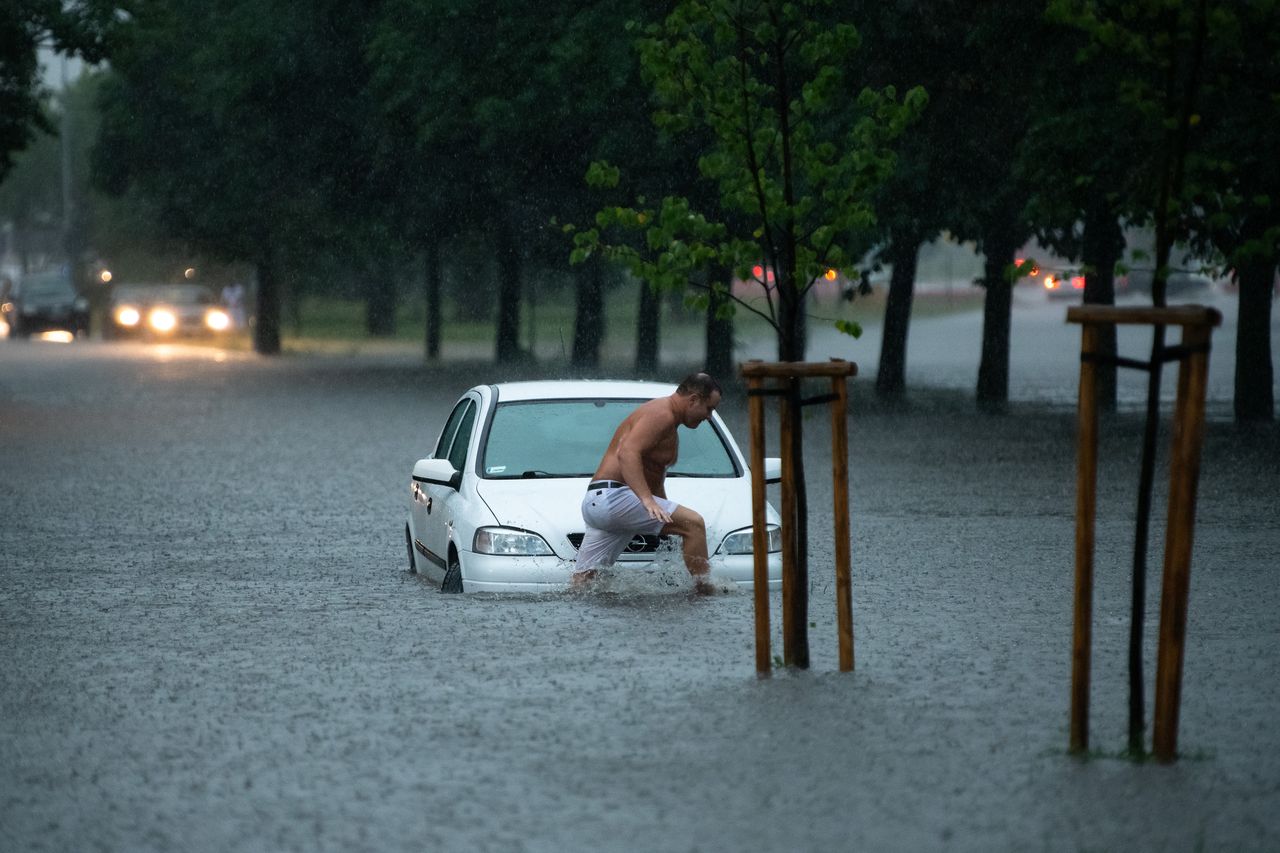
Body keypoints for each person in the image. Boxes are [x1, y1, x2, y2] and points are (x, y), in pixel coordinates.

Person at [574, 373, 722, 593]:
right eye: (709, 408)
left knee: (584, 585)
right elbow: (627, 453)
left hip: (599, 502)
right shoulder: (662, 413)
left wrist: (662, 508)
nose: (709, 416)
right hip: (615, 498)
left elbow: (653, 473)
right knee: (694, 525)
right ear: (693, 400)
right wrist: (646, 500)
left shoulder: (668, 421)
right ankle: (707, 591)